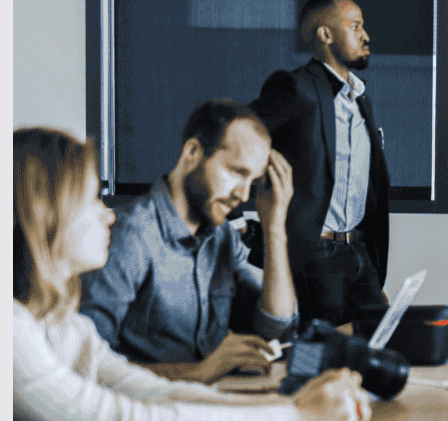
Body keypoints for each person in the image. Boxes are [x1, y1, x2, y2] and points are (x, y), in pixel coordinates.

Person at [14, 128, 372, 421]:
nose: (109, 213)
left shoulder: (62, 326)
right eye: (90, 199)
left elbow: (154, 393)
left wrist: (290, 406)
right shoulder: (11, 331)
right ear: (44, 213)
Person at [80, 99, 297, 384]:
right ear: (193, 152)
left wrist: (275, 227)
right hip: (147, 413)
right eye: (236, 172)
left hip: (203, 403)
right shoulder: (130, 235)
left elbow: (276, 325)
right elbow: (86, 367)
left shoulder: (223, 237)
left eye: (252, 182)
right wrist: (198, 373)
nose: (243, 196)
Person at [249, 0, 390, 327]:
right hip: (316, 254)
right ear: (326, 35)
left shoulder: (359, 99)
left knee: (376, 345)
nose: (366, 35)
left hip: (358, 250)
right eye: (355, 26)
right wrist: (268, 173)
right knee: (324, 355)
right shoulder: (296, 88)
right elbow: (240, 132)